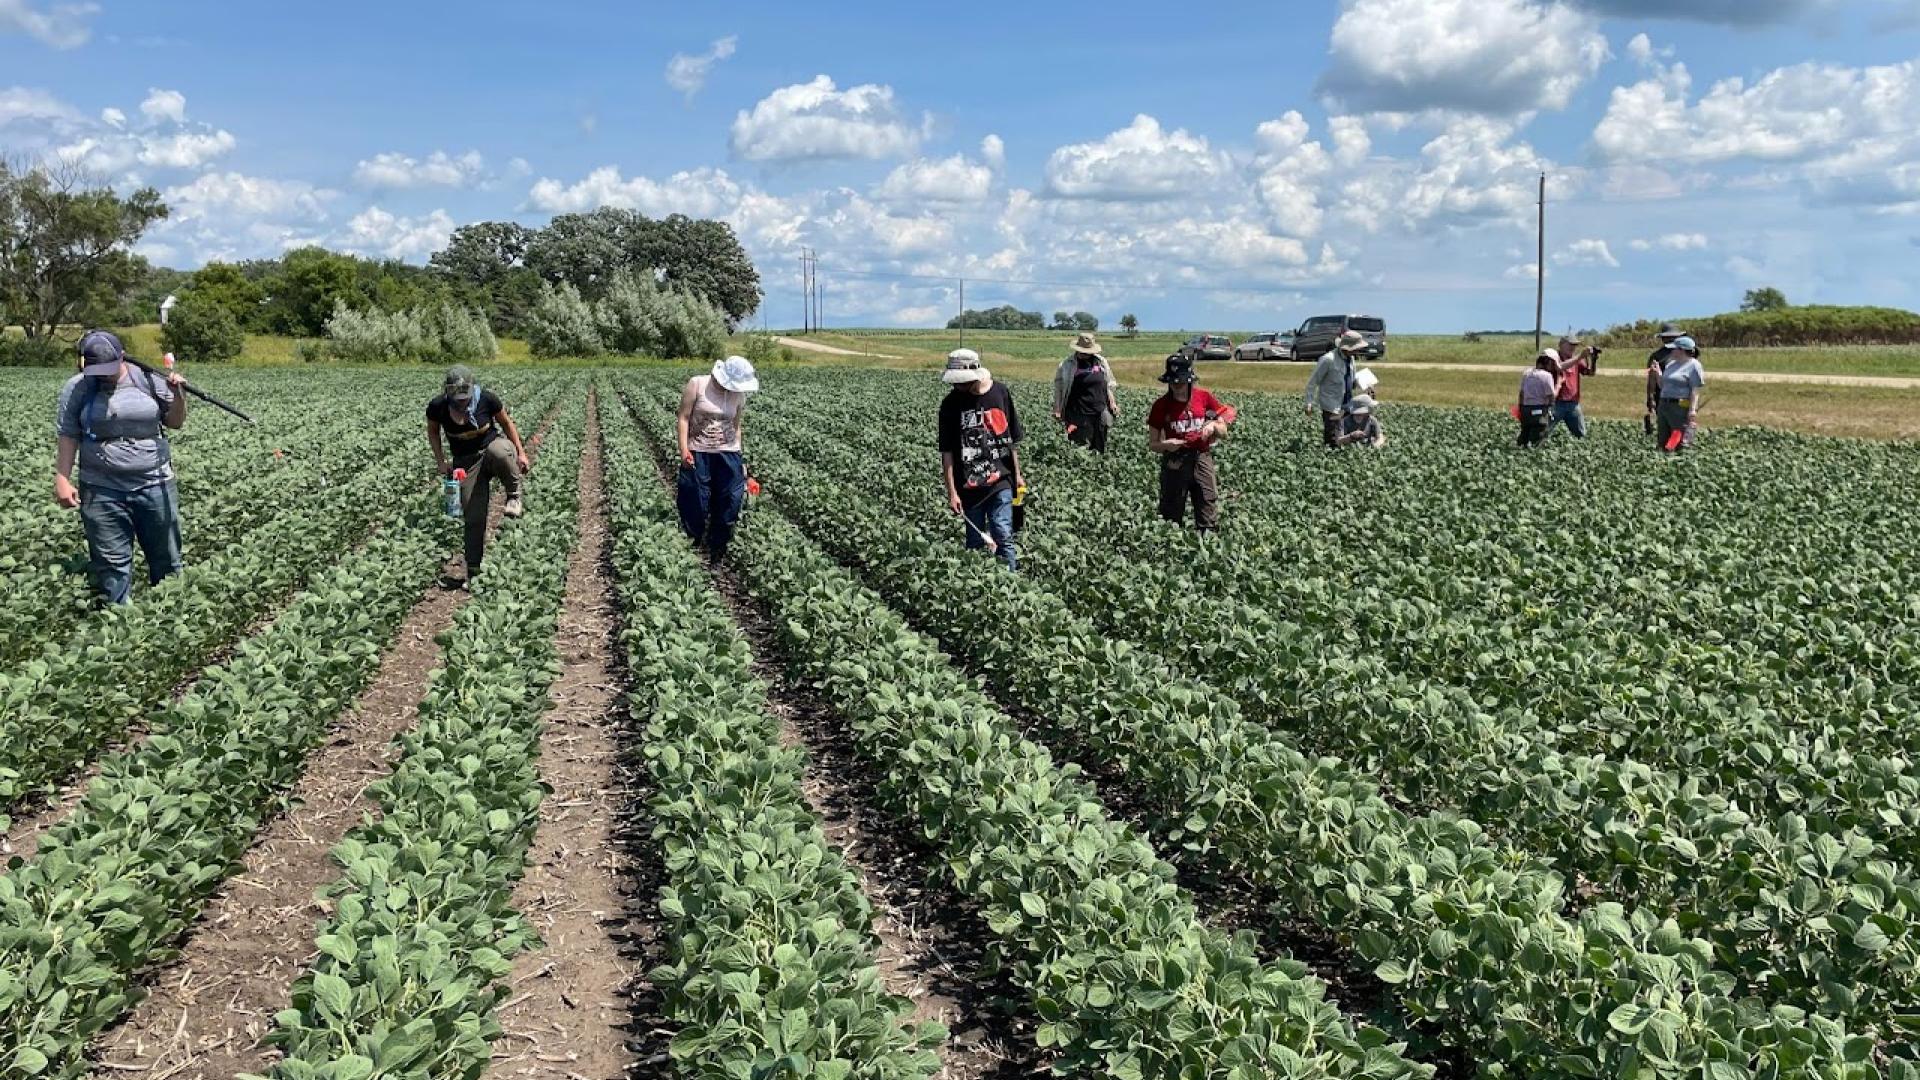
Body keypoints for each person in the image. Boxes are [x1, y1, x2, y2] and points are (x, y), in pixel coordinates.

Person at [52, 330, 188, 605]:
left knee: (166, 560)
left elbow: (175, 421)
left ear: (122, 357)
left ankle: (171, 622)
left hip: (154, 483)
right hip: (102, 489)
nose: (104, 375)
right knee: (111, 567)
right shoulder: (78, 387)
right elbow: (68, 433)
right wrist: (62, 479)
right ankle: (120, 628)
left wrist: (178, 396)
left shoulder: (147, 379)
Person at [426, 364, 529, 583]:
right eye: (457, 396)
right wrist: (441, 461)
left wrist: (521, 453)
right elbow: (433, 432)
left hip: (491, 450)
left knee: (501, 451)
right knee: (473, 516)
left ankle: (513, 496)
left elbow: (507, 424)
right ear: (447, 391)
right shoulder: (438, 407)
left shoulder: (487, 400)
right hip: (466, 462)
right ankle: (473, 572)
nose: (462, 400)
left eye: (465, 395)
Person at [937, 349, 1023, 570]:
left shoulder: (1000, 393)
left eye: (962, 383)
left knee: (1003, 533)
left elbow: (1011, 439)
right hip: (968, 483)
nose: (958, 387)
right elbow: (947, 452)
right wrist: (952, 493)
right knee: (974, 543)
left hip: (1001, 477)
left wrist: (1018, 475)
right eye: (955, 383)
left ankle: (1011, 586)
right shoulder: (949, 405)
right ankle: (977, 586)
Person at [677, 356, 759, 562]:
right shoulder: (697, 384)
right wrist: (684, 449)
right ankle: (692, 547)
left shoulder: (738, 396)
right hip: (699, 451)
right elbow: (683, 418)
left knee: (730, 501)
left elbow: (736, 427)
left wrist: (741, 461)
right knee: (696, 501)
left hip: (729, 453)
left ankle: (717, 552)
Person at [1147, 354, 1237, 530]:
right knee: (1171, 513)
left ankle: (1208, 546)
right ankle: (1171, 549)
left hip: (1201, 458)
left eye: (1179, 382)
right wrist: (1167, 444)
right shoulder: (1160, 406)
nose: (1175, 386)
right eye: (1172, 383)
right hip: (1174, 461)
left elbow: (1224, 432)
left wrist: (1213, 427)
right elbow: (1153, 444)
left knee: (1207, 505)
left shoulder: (1204, 398)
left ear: (1189, 381)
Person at [1051, 332, 1120, 453]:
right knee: (1080, 448)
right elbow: (1059, 388)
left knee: (1100, 447)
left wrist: (1113, 403)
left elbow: (1108, 384)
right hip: (1078, 413)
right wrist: (1057, 408)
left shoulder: (1101, 362)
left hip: (1100, 411)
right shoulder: (1067, 365)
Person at [1305, 329, 1366, 447]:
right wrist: (1309, 403)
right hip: (1332, 406)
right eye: (1357, 348)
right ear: (1348, 348)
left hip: (1348, 404)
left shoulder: (1351, 359)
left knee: (1347, 438)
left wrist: (1366, 384)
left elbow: (1351, 380)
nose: (1358, 351)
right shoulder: (1328, 359)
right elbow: (1312, 382)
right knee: (1333, 440)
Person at [1655, 336, 1706, 451]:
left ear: (1682, 350)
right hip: (1664, 404)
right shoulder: (1670, 364)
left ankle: (1677, 460)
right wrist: (1658, 373)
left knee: (1677, 437)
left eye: (1674, 349)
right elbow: (1663, 386)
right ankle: (1663, 459)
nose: (1671, 351)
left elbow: (1695, 390)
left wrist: (1692, 410)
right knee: (1662, 438)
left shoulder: (1694, 365)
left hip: (1680, 406)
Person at [1548, 334, 1598, 439]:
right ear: (1561, 344)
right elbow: (1560, 367)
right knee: (1544, 432)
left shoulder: (1576, 359)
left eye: (1575, 345)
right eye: (1570, 344)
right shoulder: (1554, 357)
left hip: (1573, 404)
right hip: (1556, 403)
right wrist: (1580, 356)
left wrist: (1593, 360)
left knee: (1581, 435)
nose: (1573, 347)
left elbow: (1590, 373)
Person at [1517, 350, 1559, 448]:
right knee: (1538, 436)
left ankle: (1520, 447)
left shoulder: (1527, 373)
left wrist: (1521, 408)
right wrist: (1559, 384)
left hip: (1526, 409)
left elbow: (1521, 393)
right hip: (1539, 410)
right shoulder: (1547, 376)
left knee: (1525, 432)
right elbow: (1551, 395)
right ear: (1548, 363)